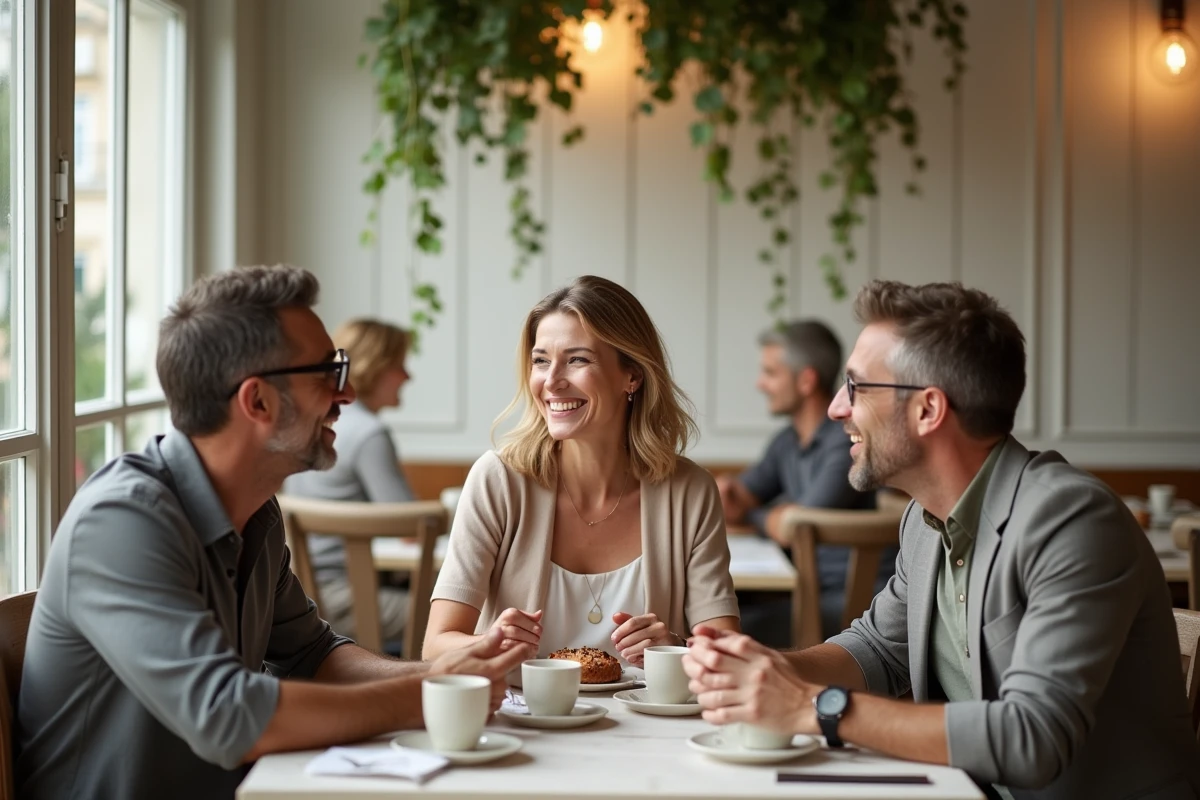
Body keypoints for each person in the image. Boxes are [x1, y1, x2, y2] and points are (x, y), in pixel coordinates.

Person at [15, 266, 529, 800]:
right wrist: (431, 692)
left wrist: (447, 669)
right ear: (257, 401)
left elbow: (314, 655)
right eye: (327, 372)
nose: (347, 392)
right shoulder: (121, 522)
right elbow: (227, 715)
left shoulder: (257, 512)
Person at [684, 280, 1200, 800]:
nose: (838, 408)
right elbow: (877, 649)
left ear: (928, 410)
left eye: (858, 387)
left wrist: (809, 707)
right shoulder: (924, 520)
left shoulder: (1071, 521)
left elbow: (1032, 737)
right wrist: (763, 668)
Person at [423, 275, 740, 668]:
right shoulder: (499, 480)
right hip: (523, 724)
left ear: (633, 376)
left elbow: (726, 651)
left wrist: (675, 645)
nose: (551, 382)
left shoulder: (690, 491)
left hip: (650, 727)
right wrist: (490, 641)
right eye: (540, 360)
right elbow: (436, 646)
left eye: (577, 360)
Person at [715, 320, 885, 641]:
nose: (759, 384)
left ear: (806, 380)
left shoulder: (847, 445)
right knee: (713, 615)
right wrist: (730, 495)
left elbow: (797, 525)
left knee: (717, 630)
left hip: (853, 606)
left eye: (770, 373)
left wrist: (760, 517)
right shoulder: (787, 442)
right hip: (802, 589)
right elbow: (740, 499)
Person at [284, 318, 414, 641]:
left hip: (302, 593)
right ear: (375, 367)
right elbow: (413, 530)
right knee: (467, 612)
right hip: (349, 598)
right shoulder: (369, 434)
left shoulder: (314, 426)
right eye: (399, 365)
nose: (408, 376)